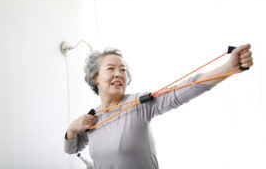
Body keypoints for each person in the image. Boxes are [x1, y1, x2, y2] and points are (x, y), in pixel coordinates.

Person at [64, 44, 253, 169]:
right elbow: (72, 149)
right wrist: (72, 128)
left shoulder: (139, 103)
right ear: (94, 77)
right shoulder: (91, 118)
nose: (118, 74)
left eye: (123, 70)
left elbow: (185, 89)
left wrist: (229, 68)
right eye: (110, 68)